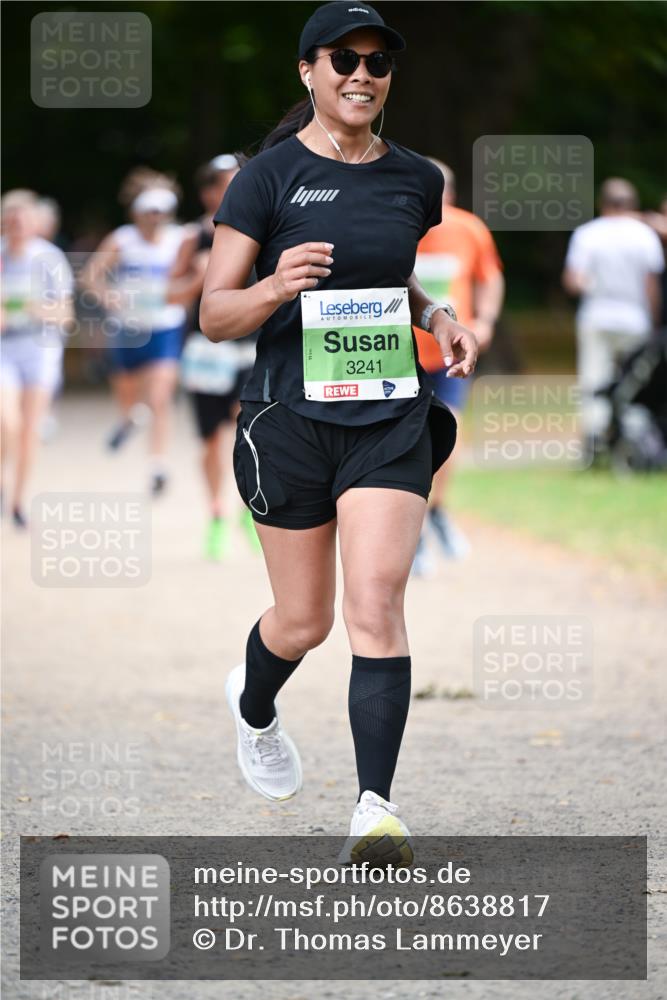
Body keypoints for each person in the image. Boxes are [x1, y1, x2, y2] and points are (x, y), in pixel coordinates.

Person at [200, 1, 477, 864]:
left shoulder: (412, 180)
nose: (362, 74)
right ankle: (254, 705)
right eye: (343, 59)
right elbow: (214, 316)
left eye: (377, 62)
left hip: (390, 418)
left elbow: (387, 281)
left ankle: (374, 808)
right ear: (308, 73)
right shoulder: (265, 179)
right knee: (303, 621)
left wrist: (437, 312)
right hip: (288, 419)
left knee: (374, 605)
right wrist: (277, 286)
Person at [412, 159, 504, 569]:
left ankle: (436, 512)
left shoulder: (469, 229)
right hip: (402, 353)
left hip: (452, 355)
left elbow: (490, 276)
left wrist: (484, 320)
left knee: (448, 435)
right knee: (408, 440)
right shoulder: (398, 223)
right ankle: (410, 528)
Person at [170, 155, 260, 559]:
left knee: (254, 431)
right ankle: (217, 515)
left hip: (253, 347)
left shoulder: (263, 226)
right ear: (208, 192)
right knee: (210, 440)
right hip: (206, 350)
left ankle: (251, 511)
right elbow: (170, 295)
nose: (234, 190)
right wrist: (199, 275)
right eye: (225, 184)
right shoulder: (193, 236)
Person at [81, 172, 187, 495]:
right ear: (137, 211)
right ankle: (127, 420)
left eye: (161, 210)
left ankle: (158, 465)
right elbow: (89, 277)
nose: (155, 217)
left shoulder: (180, 239)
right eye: (149, 210)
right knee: (128, 395)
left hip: (165, 326)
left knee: (159, 398)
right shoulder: (122, 240)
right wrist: (107, 295)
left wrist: (179, 293)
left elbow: (194, 275)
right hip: (127, 328)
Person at [563, 178, 664, 460]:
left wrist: (592, 286)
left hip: (596, 316)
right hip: (635, 319)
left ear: (602, 203)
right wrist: (655, 320)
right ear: (632, 204)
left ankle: (594, 439)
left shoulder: (587, 233)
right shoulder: (644, 235)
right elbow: (651, 284)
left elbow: (574, 280)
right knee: (634, 379)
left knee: (593, 377)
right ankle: (630, 437)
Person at [1, 189, 74, 526]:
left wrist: (33, 309)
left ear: (34, 223)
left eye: (22, 218)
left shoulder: (49, 258)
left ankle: (18, 501)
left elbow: (66, 315)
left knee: (30, 429)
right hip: (5, 347)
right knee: (7, 422)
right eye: (10, 218)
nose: (16, 224)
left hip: (39, 348)